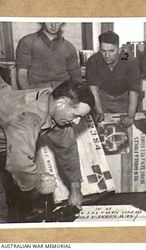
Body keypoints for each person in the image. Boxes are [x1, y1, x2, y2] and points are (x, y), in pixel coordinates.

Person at [0, 80, 95, 222]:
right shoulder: (28, 118)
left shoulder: (53, 105)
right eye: (76, 115)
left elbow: (67, 147)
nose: (76, 122)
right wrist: (39, 184)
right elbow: (19, 165)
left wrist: (75, 188)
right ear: (62, 102)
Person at [86, 31, 141, 127]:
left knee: (124, 129)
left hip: (123, 100)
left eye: (111, 51)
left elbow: (134, 90)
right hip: (101, 99)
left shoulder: (129, 61)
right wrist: (99, 112)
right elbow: (93, 90)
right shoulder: (93, 61)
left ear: (119, 50)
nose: (107, 55)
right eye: (103, 51)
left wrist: (130, 115)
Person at [16, 22, 81, 90]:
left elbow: (76, 77)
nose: (53, 24)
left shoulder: (69, 47)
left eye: (58, 21)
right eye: (49, 20)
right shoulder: (28, 42)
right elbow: (22, 74)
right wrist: (28, 94)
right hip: (36, 92)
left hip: (63, 92)